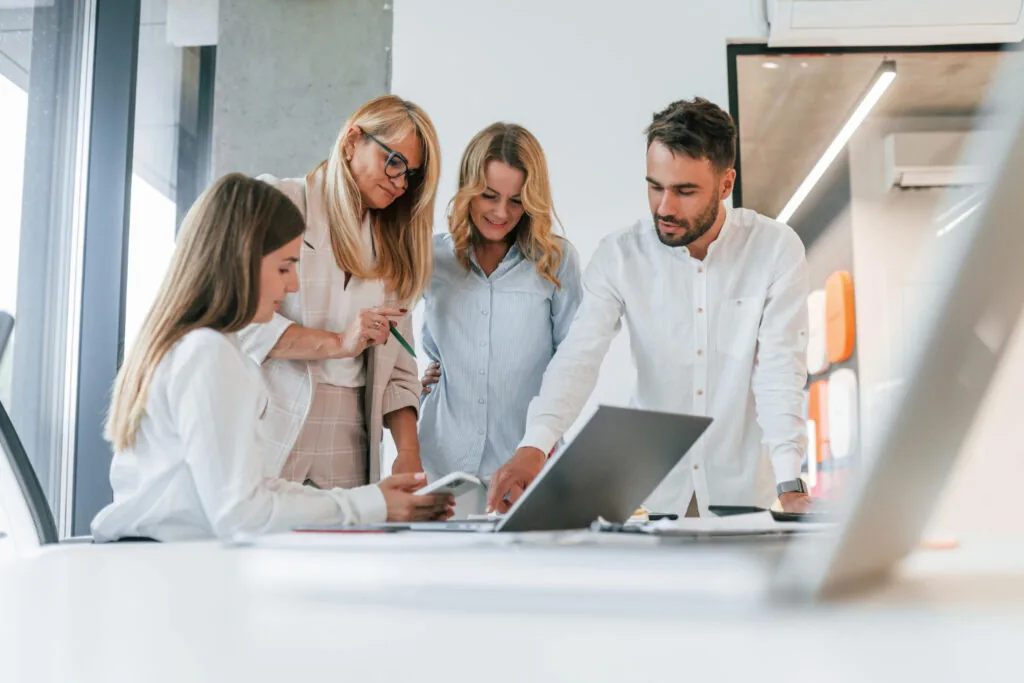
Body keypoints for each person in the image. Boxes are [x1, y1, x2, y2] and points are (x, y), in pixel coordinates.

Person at [488, 97, 812, 517]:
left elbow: (780, 371)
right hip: (654, 493)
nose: (664, 207)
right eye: (655, 186)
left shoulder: (774, 249)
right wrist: (535, 444)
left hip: (742, 491)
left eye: (685, 191)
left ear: (726, 184)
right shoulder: (620, 255)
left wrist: (791, 482)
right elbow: (578, 357)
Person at [92, 174, 452, 542]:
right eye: (283, 267)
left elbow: (257, 490)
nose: (293, 284)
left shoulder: (204, 348)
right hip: (173, 571)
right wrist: (370, 506)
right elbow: (241, 514)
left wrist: (373, 500)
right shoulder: (208, 354)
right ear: (240, 259)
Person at [238, 95, 441, 496]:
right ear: (352, 141)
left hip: (351, 432)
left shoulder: (392, 246)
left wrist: (408, 452)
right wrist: (338, 343)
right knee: (262, 548)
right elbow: (242, 321)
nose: (401, 183)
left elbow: (399, 366)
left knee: (344, 553)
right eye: (394, 162)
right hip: (274, 414)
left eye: (411, 175)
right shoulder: (280, 202)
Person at [418, 123, 582, 504]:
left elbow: (573, 366)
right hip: (442, 467)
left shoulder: (556, 261)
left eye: (516, 200)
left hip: (528, 471)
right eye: (489, 195)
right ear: (467, 189)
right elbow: (388, 338)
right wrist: (416, 385)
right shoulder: (432, 258)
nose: (500, 212)